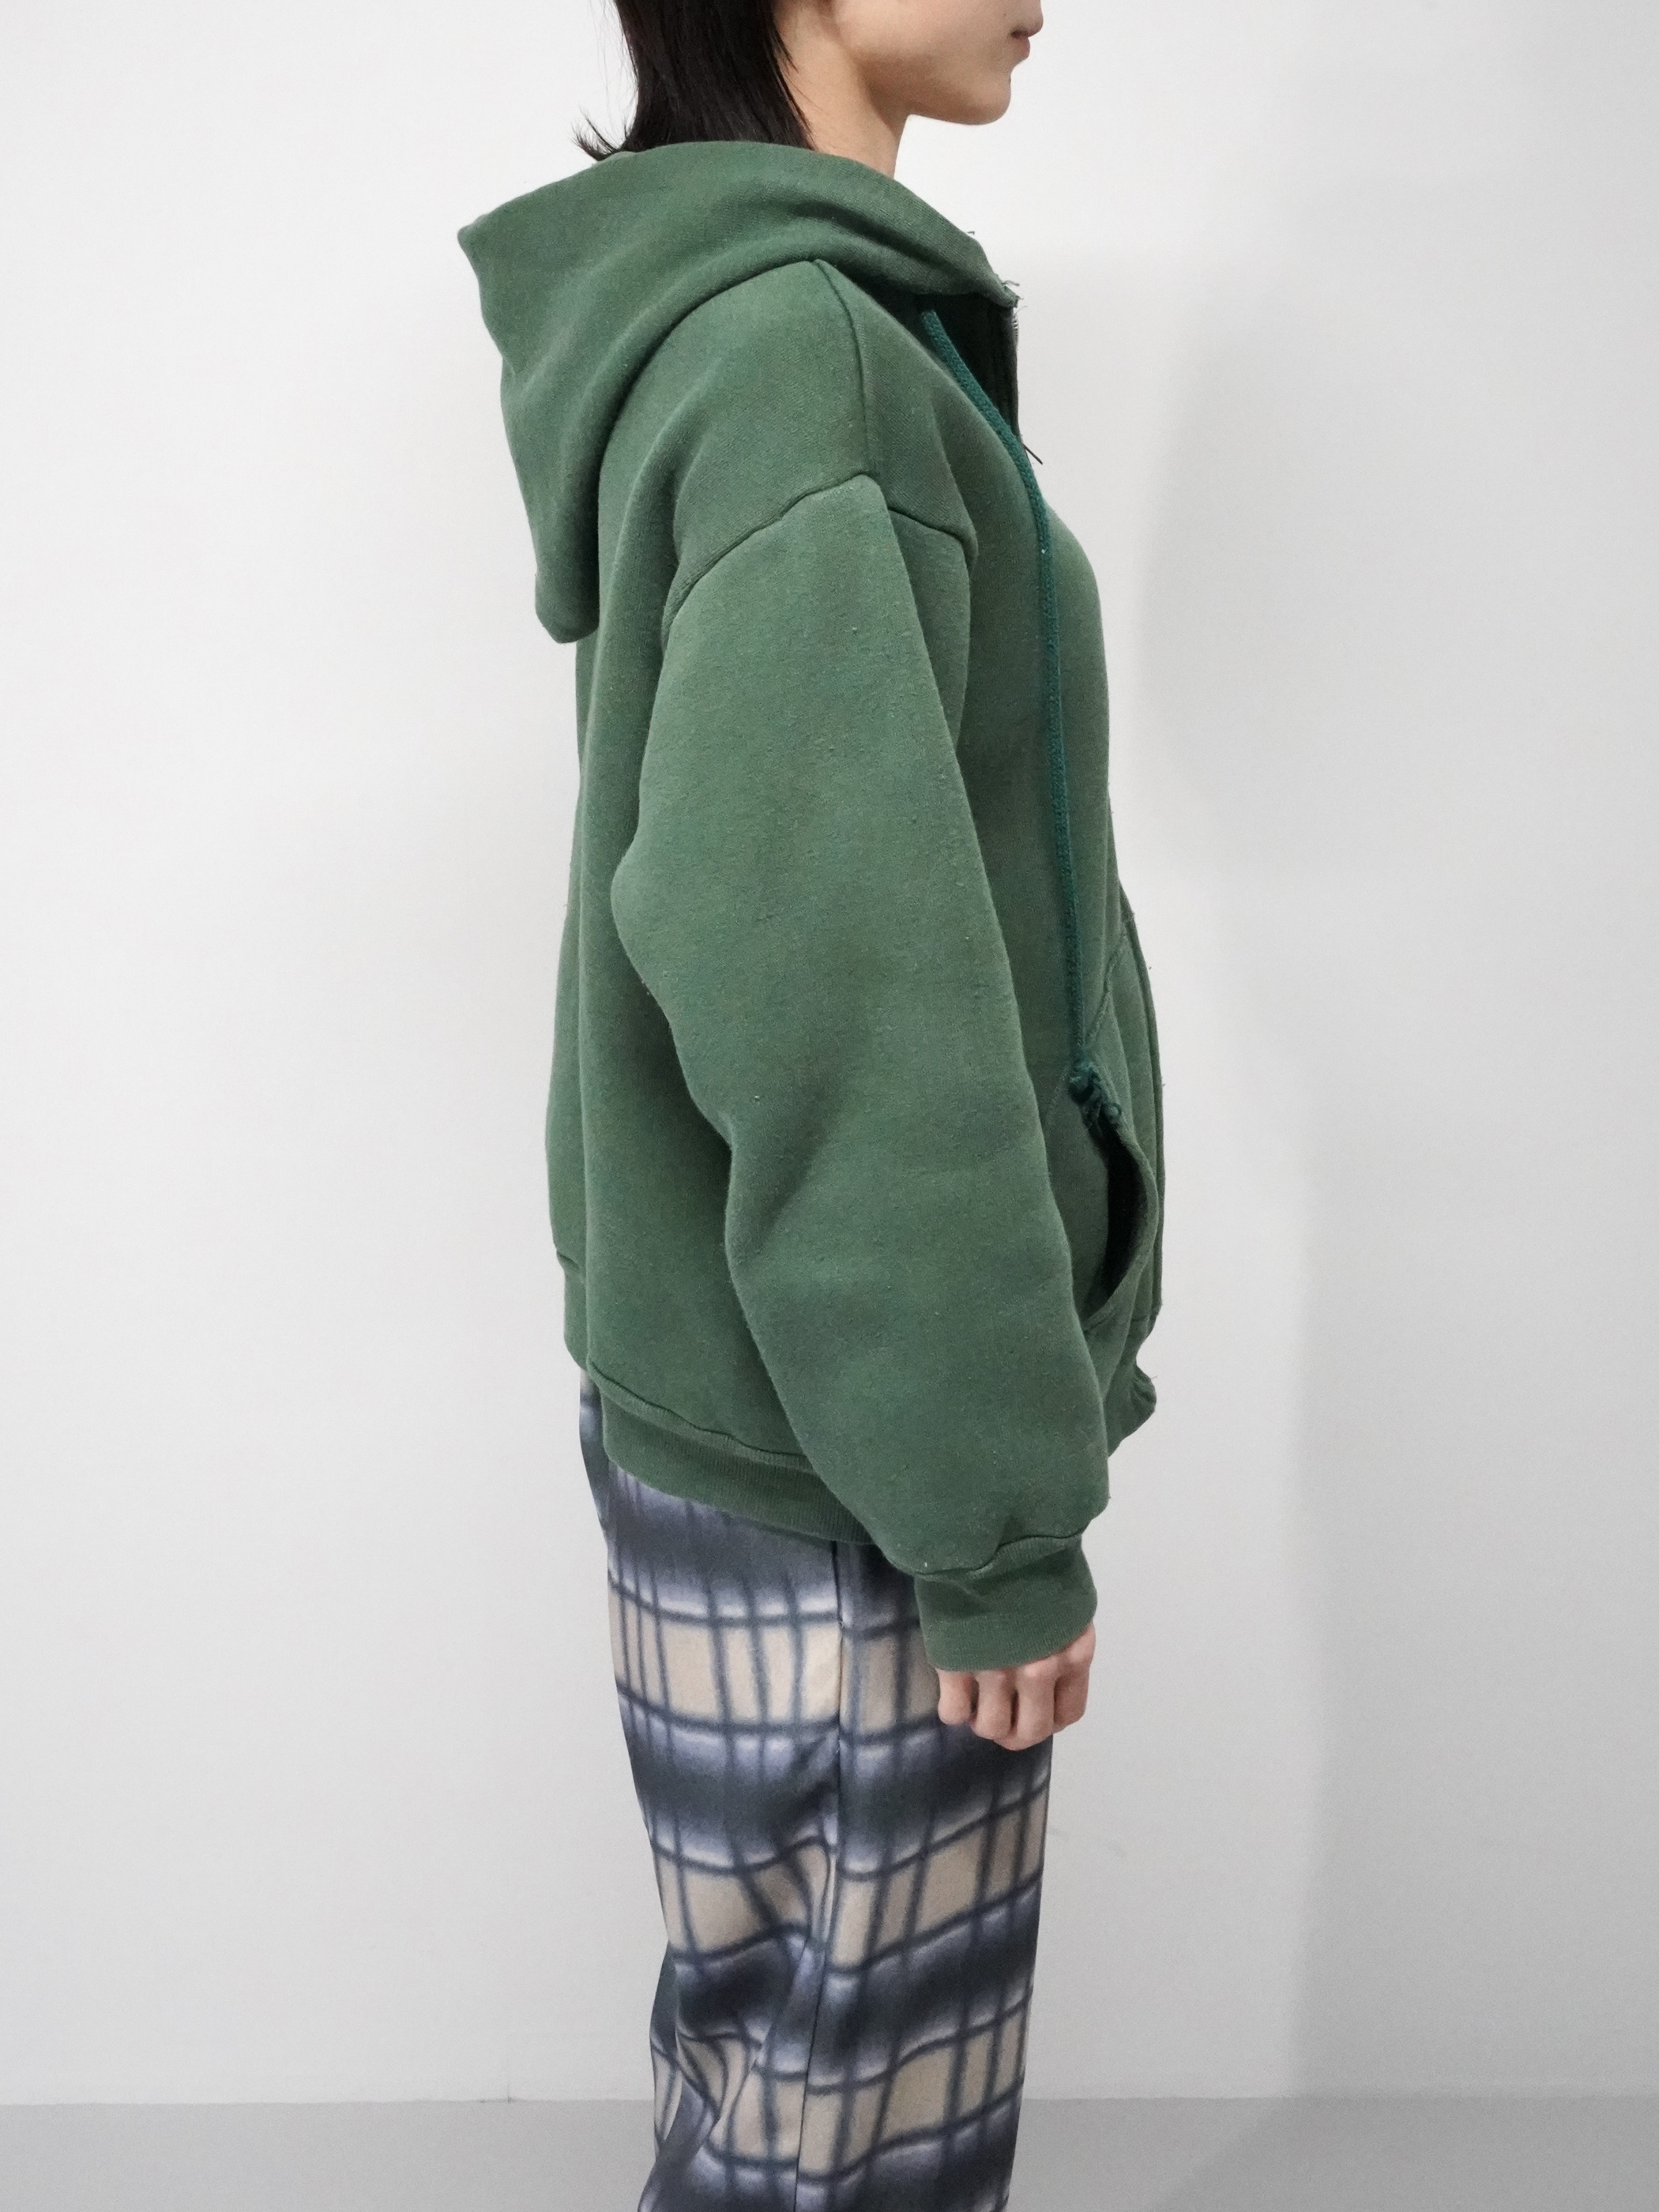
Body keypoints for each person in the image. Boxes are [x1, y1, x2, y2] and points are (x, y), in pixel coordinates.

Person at [458, 3, 1164, 2205]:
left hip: (770, 1393)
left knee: (772, 2096)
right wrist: (989, 1515)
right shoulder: (800, 355)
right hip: (858, 1440)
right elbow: (838, 994)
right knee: (852, 2143)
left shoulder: (754, 325)